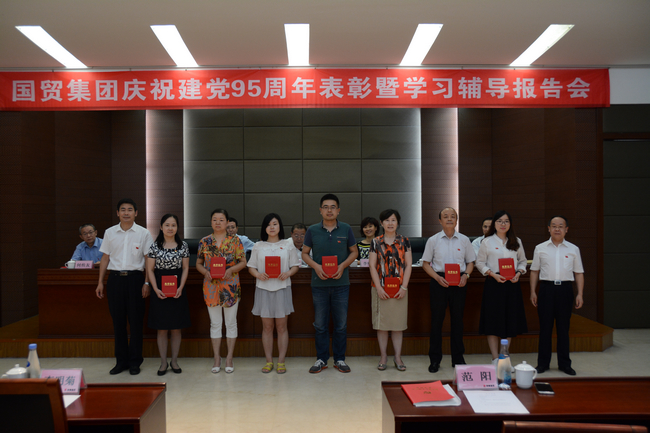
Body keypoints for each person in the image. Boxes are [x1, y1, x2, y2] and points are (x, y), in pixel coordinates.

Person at [95, 199, 153, 375]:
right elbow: (105, 258)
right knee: (118, 323)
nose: (126, 213)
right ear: (117, 213)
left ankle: (135, 362)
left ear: (136, 213)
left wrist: (147, 283)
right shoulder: (110, 232)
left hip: (136, 280)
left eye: (130, 210)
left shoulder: (144, 233)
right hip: (115, 280)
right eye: (123, 210)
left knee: (136, 323)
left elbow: (149, 260)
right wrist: (100, 282)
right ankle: (121, 362)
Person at [302, 193, 358, 373]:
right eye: (325, 207)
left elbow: (354, 252)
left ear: (338, 210)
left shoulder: (346, 228)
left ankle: (340, 359)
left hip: (341, 284)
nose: (329, 210)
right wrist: (316, 266)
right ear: (320, 210)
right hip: (319, 285)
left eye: (333, 207)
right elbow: (304, 253)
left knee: (341, 325)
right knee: (320, 325)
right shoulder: (312, 230)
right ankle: (321, 359)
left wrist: (342, 266)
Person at [422, 207, 476, 373]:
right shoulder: (433, 240)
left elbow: (471, 262)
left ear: (456, 220)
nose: (449, 219)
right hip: (439, 281)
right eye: (445, 216)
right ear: (440, 221)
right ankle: (435, 360)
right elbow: (425, 264)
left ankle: (458, 358)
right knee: (436, 322)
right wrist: (436, 277)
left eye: (453, 216)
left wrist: (466, 275)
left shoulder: (464, 240)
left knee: (458, 321)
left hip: (459, 282)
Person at [530, 216, 584, 376]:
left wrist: (580, 294)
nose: (557, 229)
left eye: (561, 226)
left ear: (566, 229)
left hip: (565, 290)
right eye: (554, 226)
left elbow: (579, 273)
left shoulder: (573, 249)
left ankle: (565, 364)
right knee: (545, 328)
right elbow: (534, 271)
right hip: (546, 289)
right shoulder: (540, 248)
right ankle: (542, 364)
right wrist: (533, 291)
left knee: (563, 328)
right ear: (549, 229)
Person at [247, 213, 301, 374]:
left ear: (280, 227)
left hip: (282, 288)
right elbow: (251, 267)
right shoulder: (258, 246)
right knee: (267, 327)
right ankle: (269, 361)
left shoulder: (288, 245)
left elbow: (295, 265)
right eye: (269, 224)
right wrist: (258, 275)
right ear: (265, 228)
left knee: (282, 326)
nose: (272, 227)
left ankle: (281, 361)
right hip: (263, 289)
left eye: (275, 224)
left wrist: (288, 273)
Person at [196, 209, 246, 374]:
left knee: (231, 323)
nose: (218, 222)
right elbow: (198, 264)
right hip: (211, 287)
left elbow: (243, 262)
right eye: (214, 219)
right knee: (215, 323)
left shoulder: (235, 241)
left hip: (230, 287)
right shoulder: (204, 241)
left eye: (221, 219)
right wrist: (205, 272)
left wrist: (231, 270)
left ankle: (229, 358)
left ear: (227, 222)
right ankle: (217, 358)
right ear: (211, 222)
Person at [476, 210, 528, 362]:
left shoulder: (516, 241)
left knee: (509, 321)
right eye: (499, 221)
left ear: (510, 224)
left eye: (506, 221)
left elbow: (523, 261)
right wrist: (492, 274)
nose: (503, 224)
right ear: (494, 224)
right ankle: (494, 358)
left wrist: (519, 272)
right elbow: (480, 262)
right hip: (494, 284)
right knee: (492, 321)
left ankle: (504, 357)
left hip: (512, 285)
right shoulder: (487, 242)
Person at [146, 214, 190, 376]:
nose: (170, 228)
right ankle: (163, 362)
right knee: (162, 328)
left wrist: (181, 287)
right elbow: (150, 269)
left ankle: (174, 361)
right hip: (159, 288)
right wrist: (155, 288)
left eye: (173, 225)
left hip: (178, 288)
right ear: (161, 227)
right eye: (167, 225)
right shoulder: (154, 246)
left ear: (177, 227)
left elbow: (185, 268)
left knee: (177, 328)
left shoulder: (183, 245)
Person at [368, 209, 412, 371]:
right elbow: (372, 266)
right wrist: (379, 288)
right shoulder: (376, 242)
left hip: (400, 289)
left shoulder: (404, 241)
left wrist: (404, 287)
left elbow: (408, 265)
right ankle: (383, 356)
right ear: (381, 223)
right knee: (382, 326)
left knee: (398, 325)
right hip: (380, 289)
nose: (390, 223)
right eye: (387, 220)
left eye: (393, 220)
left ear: (398, 222)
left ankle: (398, 357)